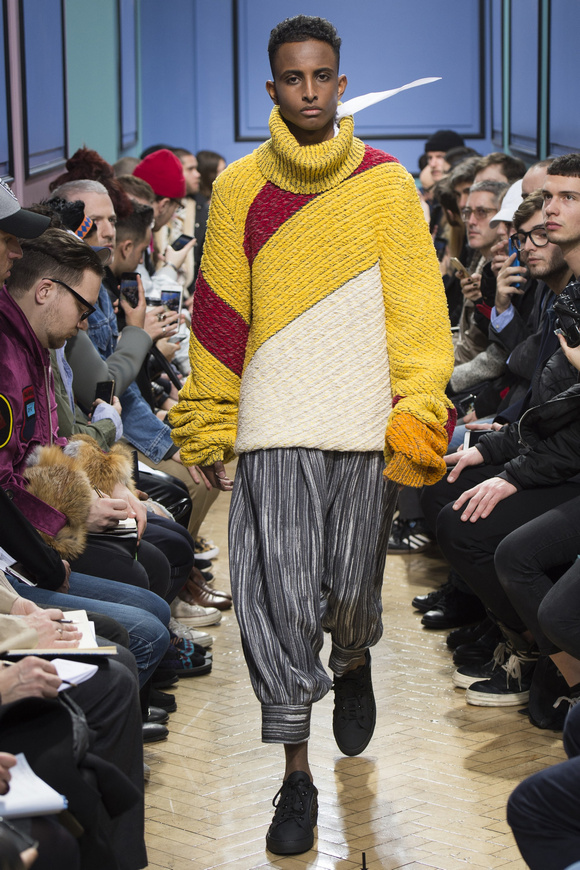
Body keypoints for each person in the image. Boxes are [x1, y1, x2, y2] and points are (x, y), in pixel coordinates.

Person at [169, 13, 454, 856]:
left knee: (350, 594)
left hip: (363, 424)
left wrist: (419, 402)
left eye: (320, 76)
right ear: (273, 86)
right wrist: (212, 419)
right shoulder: (238, 189)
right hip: (275, 422)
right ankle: (295, 777)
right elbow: (220, 313)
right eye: (292, 78)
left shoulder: (386, 184)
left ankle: (354, 658)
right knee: (279, 596)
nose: (307, 92)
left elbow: (418, 309)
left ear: (340, 82)